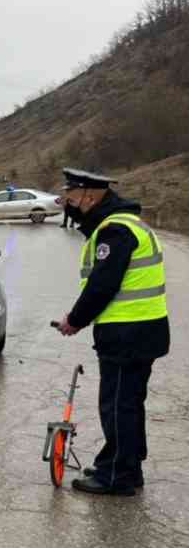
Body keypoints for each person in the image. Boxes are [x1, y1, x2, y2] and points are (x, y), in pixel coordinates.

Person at [55, 168, 169, 496]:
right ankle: (127, 467)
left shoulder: (115, 230)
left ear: (90, 196)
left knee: (118, 405)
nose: (69, 204)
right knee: (129, 403)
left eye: (72, 197)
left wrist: (74, 320)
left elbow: (102, 286)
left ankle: (116, 475)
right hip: (141, 330)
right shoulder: (123, 223)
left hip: (128, 334)